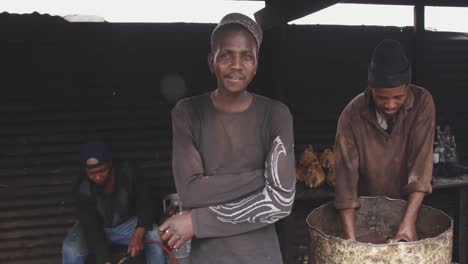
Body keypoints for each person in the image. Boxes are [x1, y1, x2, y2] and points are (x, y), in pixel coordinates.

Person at [160, 13, 296, 264]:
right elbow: (190, 193)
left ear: (256, 64)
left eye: (246, 56)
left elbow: (281, 202)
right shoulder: (188, 112)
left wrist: (196, 222)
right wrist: (263, 177)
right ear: (212, 62)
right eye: (226, 55)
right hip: (209, 257)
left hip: (262, 256)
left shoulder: (276, 114)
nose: (236, 65)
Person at [334, 39, 435, 242]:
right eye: (382, 98)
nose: (390, 104)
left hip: (408, 208)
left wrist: (408, 223)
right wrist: (351, 241)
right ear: (371, 87)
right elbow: (346, 181)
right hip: (366, 214)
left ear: (408, 86)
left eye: (398, 97)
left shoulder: (422, 103)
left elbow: (420, 168)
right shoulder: (352, 114)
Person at [62, 141, 165, 264]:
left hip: (126, 226)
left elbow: (146, 202)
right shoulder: (82, 187)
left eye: (102, 170)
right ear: (85, 171)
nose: (98, 177)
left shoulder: (129, 173)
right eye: (92, 173)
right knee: (71, 249)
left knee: (154, 235)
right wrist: (105, 259)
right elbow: (92, 228)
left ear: (110, 163)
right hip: (95, 228)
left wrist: (139, 233)